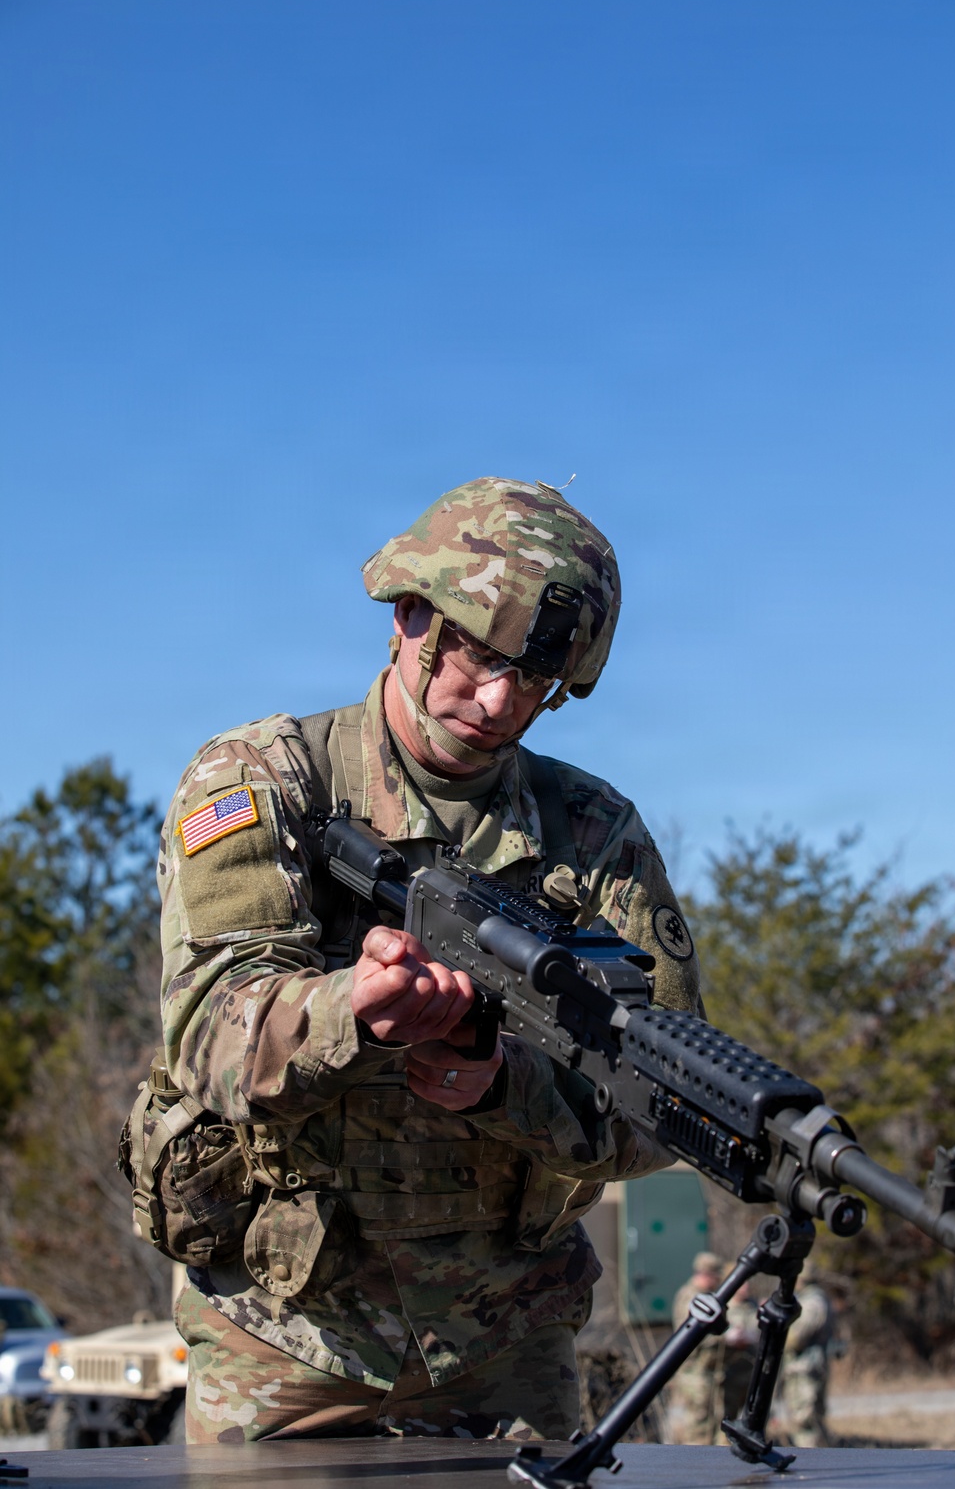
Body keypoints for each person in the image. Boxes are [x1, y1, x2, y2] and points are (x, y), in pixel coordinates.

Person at [156, 476, 702, 1443]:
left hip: (508, 1340)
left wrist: (504, 1082)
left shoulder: (593, 830)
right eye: (481, 655)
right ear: (410, 613)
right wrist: (352, 1012)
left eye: (534, 681)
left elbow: (671, 1096)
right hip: (285, 1341)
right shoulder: (262, 778)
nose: (498, 702)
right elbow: (213, 1035)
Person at [670, 1254, 758, 1445]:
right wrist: (727, 1337)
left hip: (708, 1372)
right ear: (707, 1275)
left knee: (711, 1425)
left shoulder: (704, 1296)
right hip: (695, 1371)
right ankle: (697, 1461)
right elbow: (694, 1332)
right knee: (699, 1426)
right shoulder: (691, 1296)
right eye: (716, 1277)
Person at [780, 1262, 837, 1447]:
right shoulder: (810, 1299)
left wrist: (776, 1333)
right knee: (810, 1422)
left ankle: (808, 1459)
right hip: (805, 1369)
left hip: (804, 1370)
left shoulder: (813, 1302)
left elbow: (796, 1337)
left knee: (804, 1423)